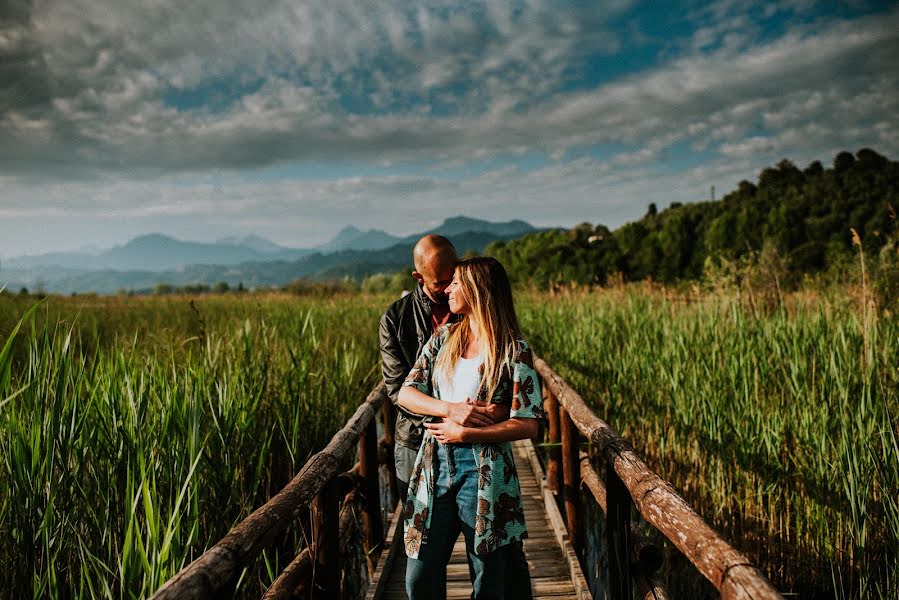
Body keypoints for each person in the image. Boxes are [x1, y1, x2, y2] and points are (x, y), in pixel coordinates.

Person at [398, 256, 544, 600]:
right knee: (418, 577)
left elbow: (529, 424)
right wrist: (450, 410)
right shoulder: (443, 338)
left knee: (488, 581)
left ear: (479, 291)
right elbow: (407, 392)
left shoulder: (513, 350)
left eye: (456, 283)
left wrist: (468, 433)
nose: (448, 289)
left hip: (484, 472)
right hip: (433, 465)